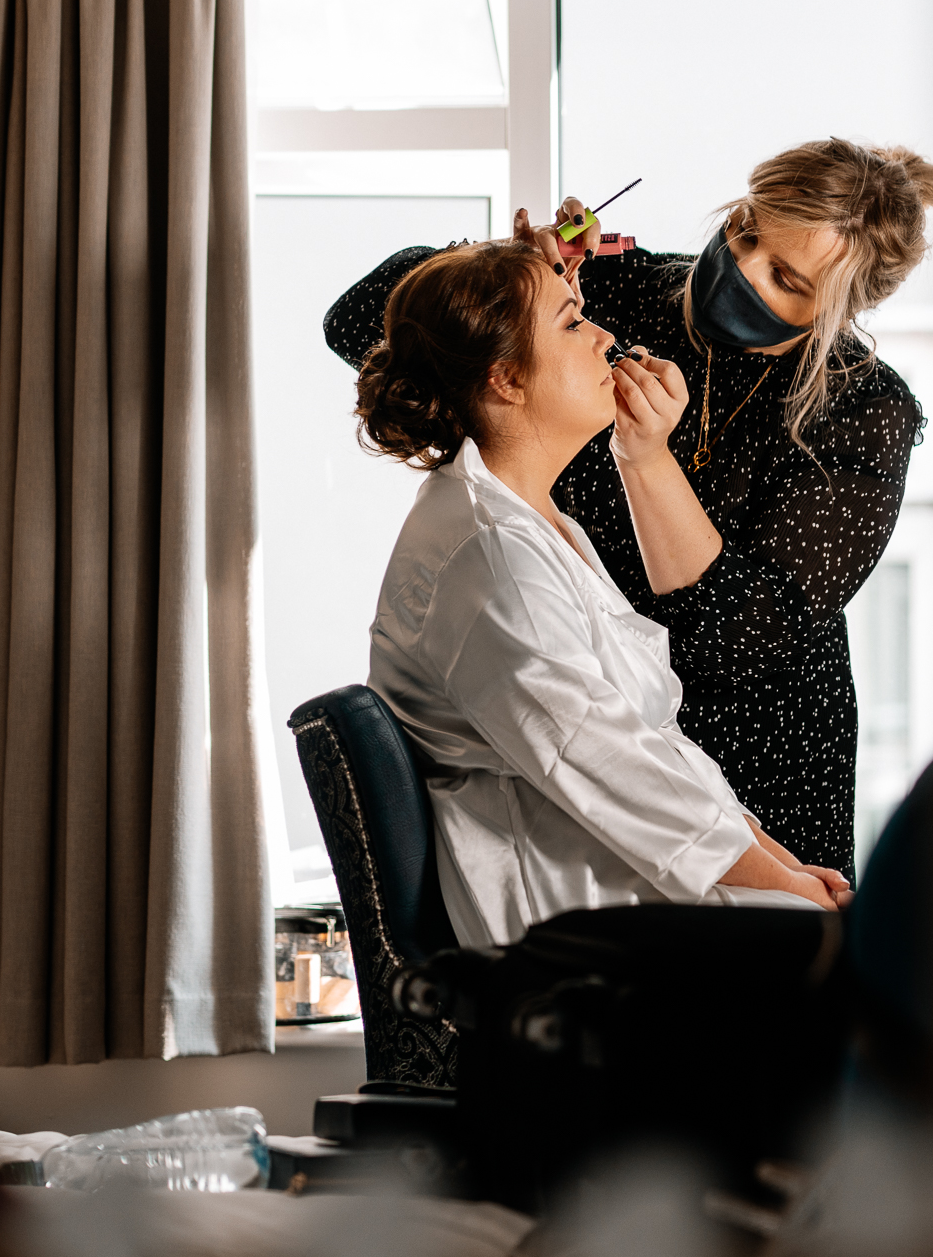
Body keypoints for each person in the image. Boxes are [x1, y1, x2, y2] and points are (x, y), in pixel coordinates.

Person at [327, 138, 933, 879]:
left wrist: (648, 460)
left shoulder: (862, 408)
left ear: (841, 311)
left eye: (785, 278)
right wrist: (519, 272)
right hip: (576, 686)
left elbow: (738, 641)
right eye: (747, 231)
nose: (743, 270)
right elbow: (362, 323)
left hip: (759, 746)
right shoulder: (619, 288)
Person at [358, 239, 853, 949]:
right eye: (570, 323)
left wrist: (780, 862)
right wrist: (785, 887)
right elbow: (608, 764)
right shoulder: (493, 559)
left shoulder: (535, 521)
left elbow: (653, 743)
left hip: (616, 880)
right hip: (568, 922)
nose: (605, 338)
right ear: (506, 379)